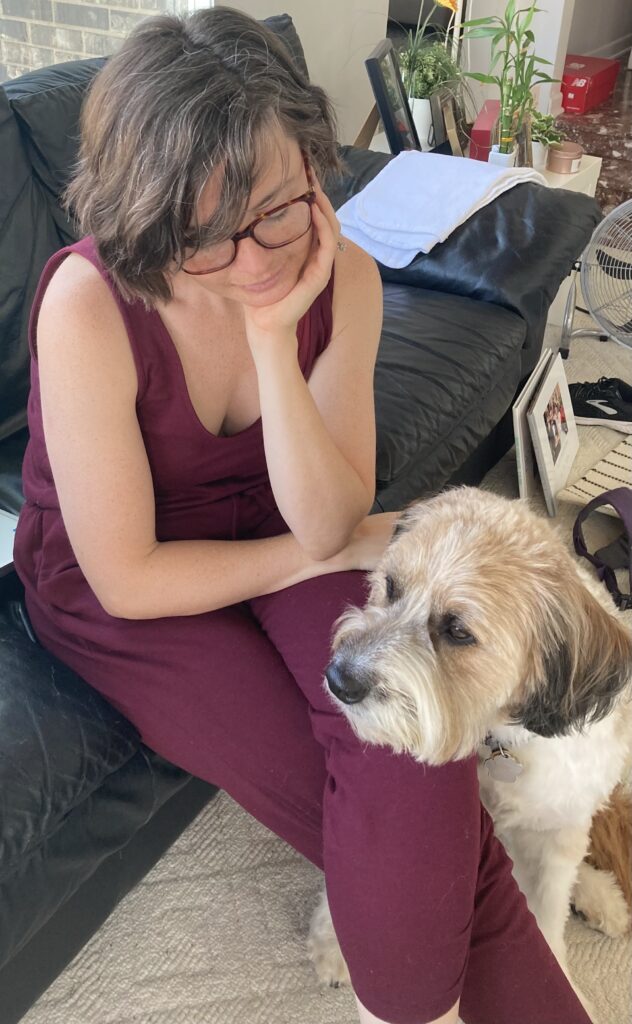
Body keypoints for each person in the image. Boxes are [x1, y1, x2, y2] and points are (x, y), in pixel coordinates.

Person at [13, 8, 593, 1024]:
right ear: (147, 217)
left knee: (412, 774)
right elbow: (130, 576)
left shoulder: (344, 280)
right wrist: (317, 555)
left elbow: (328, 518)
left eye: (278, 208)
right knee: (430, 861)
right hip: (127, 591)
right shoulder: (88, 305)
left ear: (317, 169)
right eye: (202, 235)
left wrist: (274, 337)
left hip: (276, 526)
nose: (249, 259)